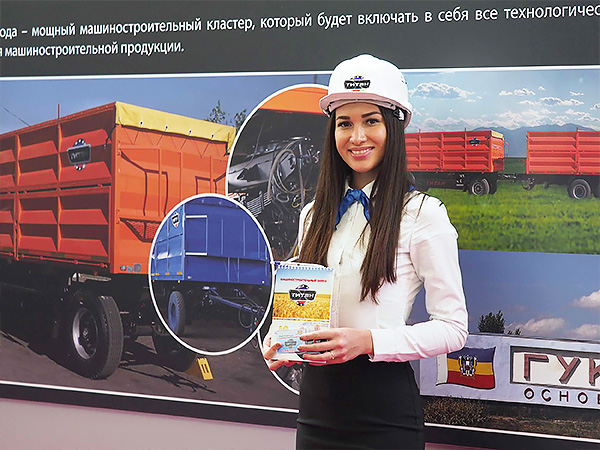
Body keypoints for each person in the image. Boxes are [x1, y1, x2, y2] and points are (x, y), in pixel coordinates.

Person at [263, 54, 468, 450]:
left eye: (370, 121)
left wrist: (368, 341)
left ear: (394, 126)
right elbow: (302, 307)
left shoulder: (423, 214)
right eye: (345, 123)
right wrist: (278, 338)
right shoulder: (312, 215)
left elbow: (453, 328)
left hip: (384, 417)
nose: (357, 137)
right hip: (316, 412)